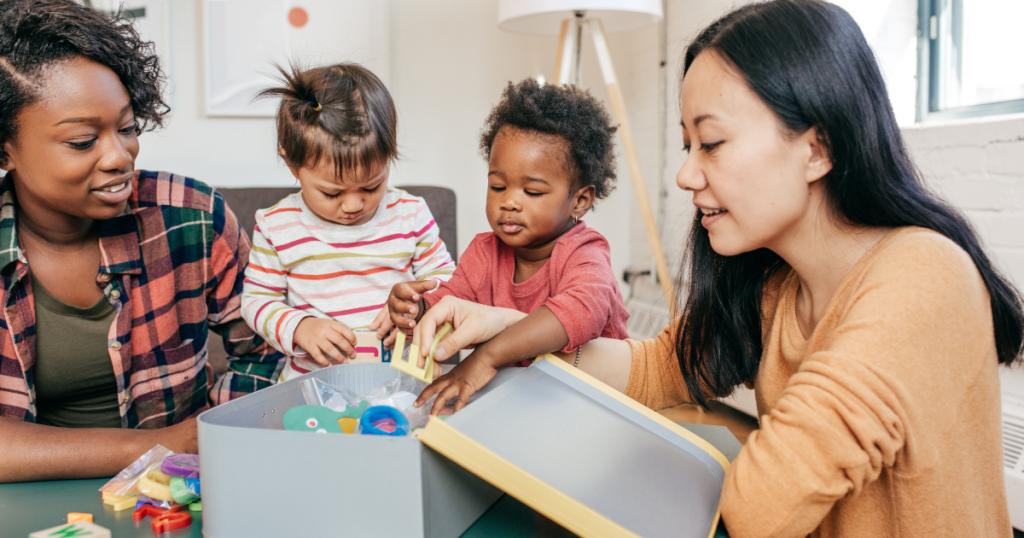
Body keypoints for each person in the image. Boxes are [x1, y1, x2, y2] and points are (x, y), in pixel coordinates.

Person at [409, 1, 1024, 536]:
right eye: (687, 145)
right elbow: (661, 368)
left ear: (818, 147)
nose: (686, 174)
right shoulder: (777, 287)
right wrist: (501, 326)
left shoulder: (922, 274)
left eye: (713, 143)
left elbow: (760, 507)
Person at [0, 0, 283, 482]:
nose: (119, 156)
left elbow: (268, 351)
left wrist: (216, 437)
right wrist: (162, 444)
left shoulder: (191, 215)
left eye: (127, 128)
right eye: (82, 141)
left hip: (181, 489)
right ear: (6, 149)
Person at [377, 79, 628, 379]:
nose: (508, 201)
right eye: (497, 186)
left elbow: (579, 314)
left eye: (532, 192)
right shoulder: (484, 252)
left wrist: (488, 356)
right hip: (523, 395)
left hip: (594, 398)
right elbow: (451, 304)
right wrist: (416, 310)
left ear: (580, 201)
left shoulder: (585, 253)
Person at [242, 63, 455, 381]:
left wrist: (421, 306)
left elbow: (448, 280)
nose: (354, 205)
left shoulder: (410, 214)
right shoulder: (277, 226)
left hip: (405, 381)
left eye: (372, 186)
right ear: (292, 165)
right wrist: (300, 327)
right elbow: (257, 300)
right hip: (314, 389)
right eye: (332, 193)